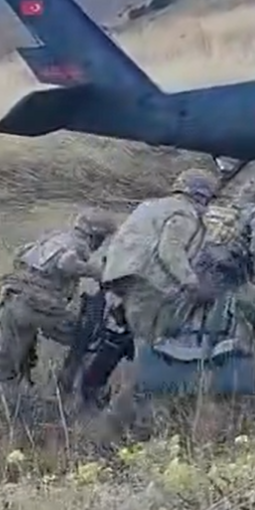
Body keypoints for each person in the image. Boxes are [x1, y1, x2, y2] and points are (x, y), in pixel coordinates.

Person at [94, 169, 216, 437]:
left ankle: (128, 425)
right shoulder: (185, 214)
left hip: (126, 289)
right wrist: (192, 283)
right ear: (203, 196)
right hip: (152, 290)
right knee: (153, 362)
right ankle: (120, 428)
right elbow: (169, 250)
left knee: (143, 358)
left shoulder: (148, 208)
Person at [0, 209, 116, 402]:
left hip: (12, 302)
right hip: (40, 309)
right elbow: (67, 264)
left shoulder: (53, 237)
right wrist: (98, 273)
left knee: (1, 370)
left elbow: (20, 253)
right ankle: (68, 396)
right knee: (88, 340)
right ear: (95, 235)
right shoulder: (79, 245)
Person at [195, 178, 255, 355]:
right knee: (248, 310)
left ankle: (199, 345)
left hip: (203, 264)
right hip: (232, 268)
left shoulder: (222, 209)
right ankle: (242, 350)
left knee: (205, 309)